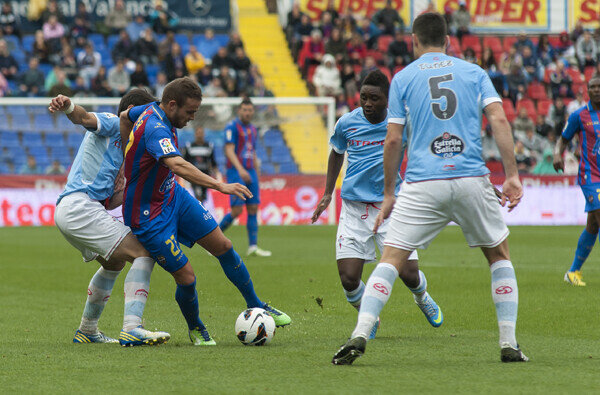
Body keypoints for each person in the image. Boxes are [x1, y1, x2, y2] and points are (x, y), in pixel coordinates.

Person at [332, 12, 527, 365]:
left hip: (423, 182)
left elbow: (393, 140)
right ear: (449, 40)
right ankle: (509, 344)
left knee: (390, 261)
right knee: (498, 255)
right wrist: (511, 175)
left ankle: (360, 334)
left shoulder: (404, 78)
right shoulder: (474, 72)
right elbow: (498, 119)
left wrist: (390, 193)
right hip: (470, 177)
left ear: (414, 40)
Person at [119, 78, 290, 345]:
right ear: (172, 105)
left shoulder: (149, 108)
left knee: (223, 244)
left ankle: (258, 304)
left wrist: (127, 153)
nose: (192, 118)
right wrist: (219, 185)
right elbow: (177, 164)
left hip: (171, 196)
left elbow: (123, 115)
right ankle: (196, 328)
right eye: (189, 112)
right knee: (187, 277)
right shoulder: (154, 127)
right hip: (148, 217)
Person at [50, 89, 171, 346]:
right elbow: (84, 119)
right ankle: (133, 327)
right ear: (133, 113)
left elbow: (114, 199)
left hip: (76, 208)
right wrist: (69, 105)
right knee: (143, 253)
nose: (150, 121)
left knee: (113, 264)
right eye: (145, 114)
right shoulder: (114, 122)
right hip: (80, 207)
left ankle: (87, 330)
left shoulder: (129, 149)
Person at [311, 70, 420, 340]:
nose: (368, 103)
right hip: (354, 208)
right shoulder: (347, 123)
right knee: (348, 279)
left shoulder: (401, 124)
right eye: (363, 97)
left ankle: (422, 296)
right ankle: (368, 317)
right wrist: (327, 193)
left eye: (374, 98)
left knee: (409, 274)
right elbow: (337, 151)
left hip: (390, 205)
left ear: (388, 100)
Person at [553, 76, 600, 287]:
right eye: (593, 87)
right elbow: (563, 139)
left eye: (599, 87)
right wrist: (557, 155)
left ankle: (573, 272)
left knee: (593, 225)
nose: (596, 90)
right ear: (587, 90)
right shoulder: (579, 115)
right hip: (590, 176)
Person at [218, 98, 271, 257]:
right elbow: (229, 150)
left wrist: (257, 172)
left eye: (250, 110)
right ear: (239, 111)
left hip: (250, 172)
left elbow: (252, 152)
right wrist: (240, 170)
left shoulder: (253, 129)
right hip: (236, 171)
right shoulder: (232, 126)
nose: (247, 113)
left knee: (253, 208)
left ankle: (253, 247)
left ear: (253, 111)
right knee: (237, 210)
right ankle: (212, 240)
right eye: (244, 110)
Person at [183, 125, 221, 203]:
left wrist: (217, 174)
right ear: (195, 134)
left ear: (204, 134)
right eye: (198, 133)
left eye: (201, 133)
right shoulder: (189, 146)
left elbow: (213, 162)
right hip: (194, 176)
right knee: (198, 196)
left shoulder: (209, 146)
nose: (199, 135)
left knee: (203, 198)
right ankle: (198, 213)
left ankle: (200, 212)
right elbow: (184, 162)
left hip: (205, 176)